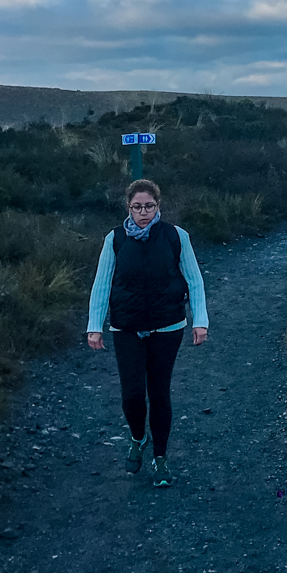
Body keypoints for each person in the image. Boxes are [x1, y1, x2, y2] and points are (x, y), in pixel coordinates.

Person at [87, 179, 208, 488]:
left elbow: (194, 280)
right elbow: (102, 284)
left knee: (159, 392)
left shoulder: (175, 237)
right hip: (125, 328)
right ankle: (138, 437)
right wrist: (95, 326)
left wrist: (200, 321)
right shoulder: (114, 240)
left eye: (149, 206)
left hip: (168, 327)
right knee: (131, 394)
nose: (143, 212)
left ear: (158, 206)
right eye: (137, 207)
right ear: (128, 208)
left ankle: (161, 457)